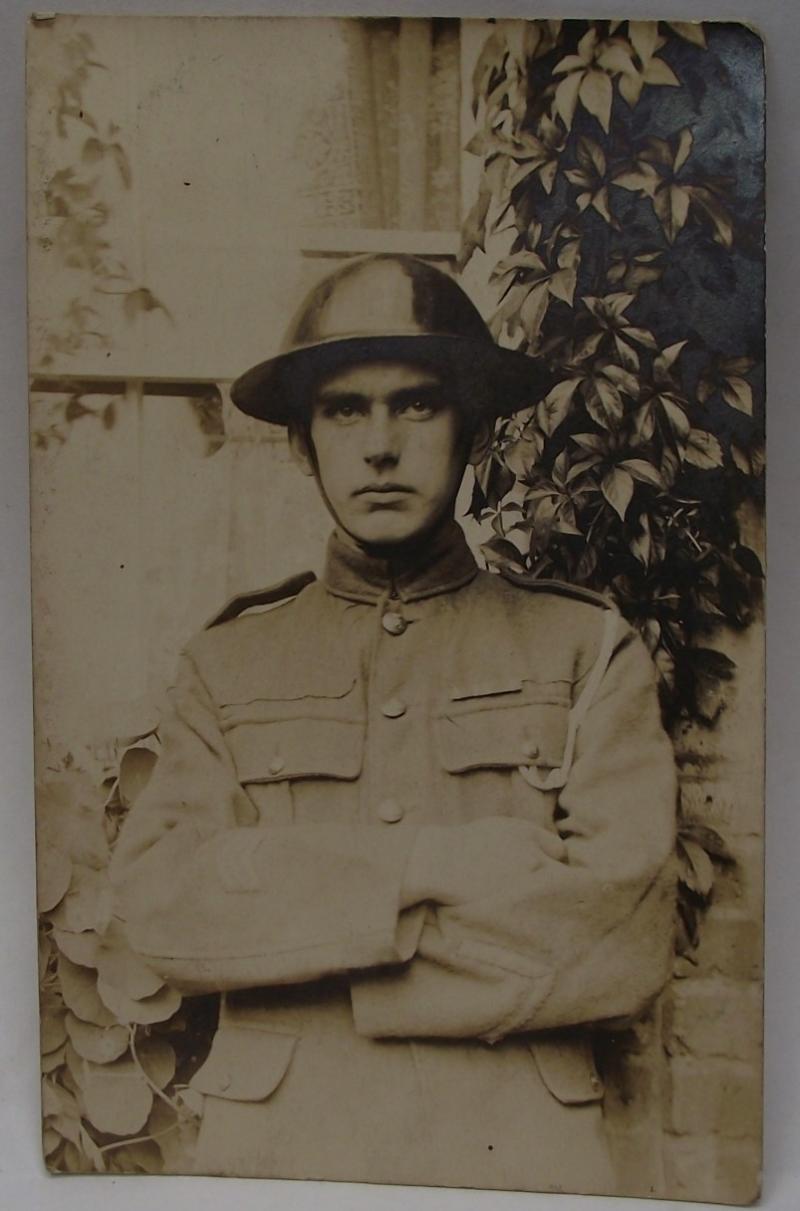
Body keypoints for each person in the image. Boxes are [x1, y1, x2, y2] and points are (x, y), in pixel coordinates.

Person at [110, 253, 677, 1194]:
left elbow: (619, 939)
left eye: (417, 404)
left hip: (519, 1154)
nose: (381, 445)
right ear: (302, 443)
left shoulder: (585, 650)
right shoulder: (226, 664)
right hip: (285, 1157)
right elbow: (164, 909)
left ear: (473, 430)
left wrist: (311, 927)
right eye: (344, 410)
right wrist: (429, 869)